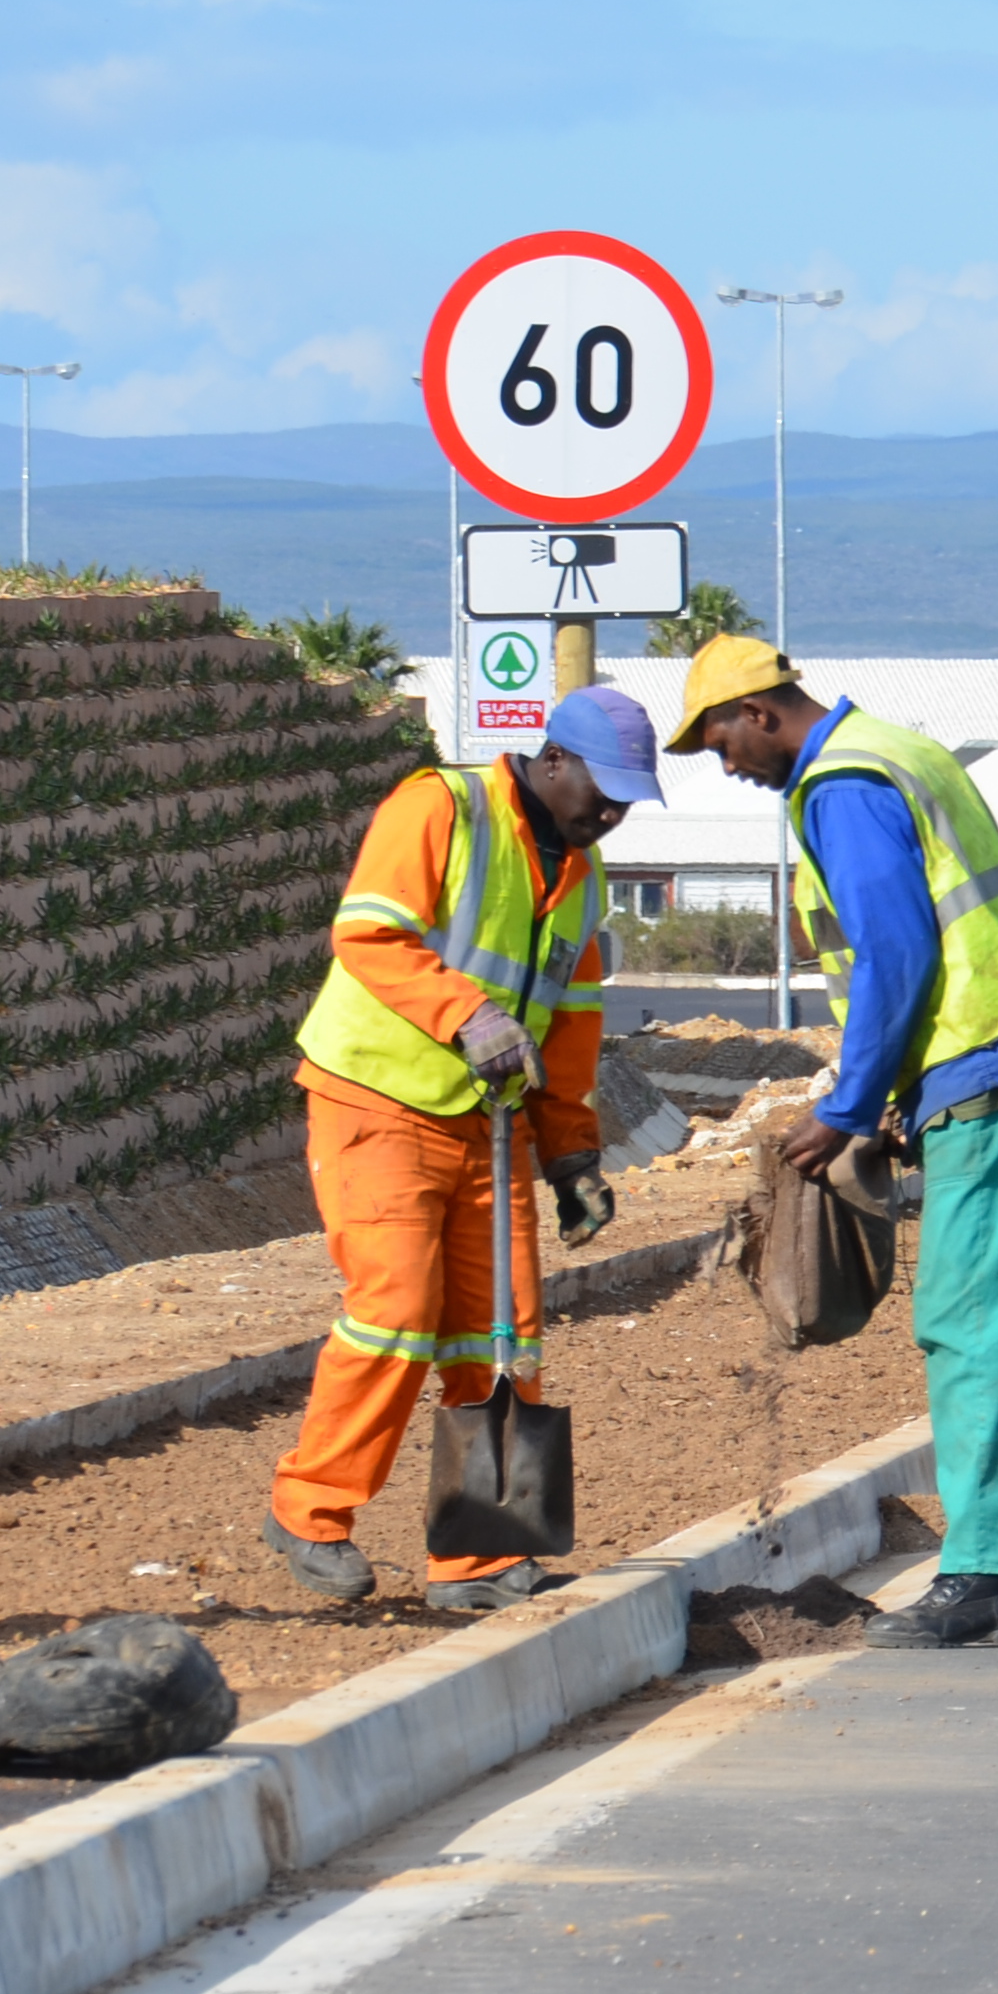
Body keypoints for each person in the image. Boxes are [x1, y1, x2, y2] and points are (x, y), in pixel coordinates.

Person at [668, 634, 998, 1650]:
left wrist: (851, 1106)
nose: (724, 765)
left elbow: (897, 950)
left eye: (722, 741)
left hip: (983, 1066)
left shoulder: (842, 785)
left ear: (763, 712)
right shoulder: (896, 750)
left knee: (970, 1323)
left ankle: (987, 1569)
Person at [256, 681, 654, 1612]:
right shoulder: (442, 806)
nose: (612, 815)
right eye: (604, 792)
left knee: (502, 1333)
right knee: (396, 1310)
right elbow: (368, 933)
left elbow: (570, 1028)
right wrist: (466, 1012)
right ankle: (310, 1507)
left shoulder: (583, 879)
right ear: (553, 760)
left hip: (492, 1123)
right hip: (377, 1100)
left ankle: (481, 1552)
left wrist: (573, 1155)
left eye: (629, 800)